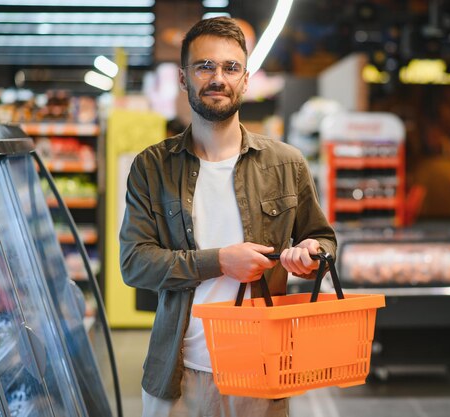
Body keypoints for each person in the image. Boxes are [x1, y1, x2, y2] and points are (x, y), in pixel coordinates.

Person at [119, 17, 337, 417]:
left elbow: (322, 240)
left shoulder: (286, 164)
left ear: (246, 79)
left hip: (261, 370)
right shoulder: (152, 167)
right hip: (178, 376)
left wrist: (310, 253)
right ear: (184, 79)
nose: (217, 77)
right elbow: (134, 264)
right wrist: (219, 261)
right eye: (204, 66)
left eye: (230, 67)